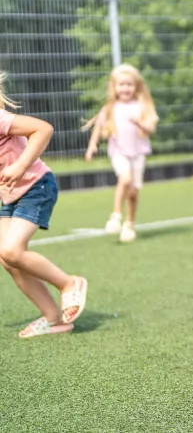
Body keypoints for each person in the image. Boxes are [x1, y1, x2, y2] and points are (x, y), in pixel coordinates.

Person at [0, 70, 88, 338]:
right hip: (9, 195)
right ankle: (54, 319)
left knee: (12, 250)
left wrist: (19, 165)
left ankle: (69, 284)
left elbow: (43, 128)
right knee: (8, 260)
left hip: (36, 186)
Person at [83, 63, 159, 244]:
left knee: (133, 192)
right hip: (119, 151)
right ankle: (116, 215)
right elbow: (98, 126)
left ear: (136, 86)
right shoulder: (111, 107)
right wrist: (92, 145)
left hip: (138, 152)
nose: (125, 88)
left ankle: (129, 223)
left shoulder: (142, 106)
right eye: (122, 84)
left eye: (129, 84)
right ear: (115, 87)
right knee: (125, 179)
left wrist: (139, 123)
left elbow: (151, 128)